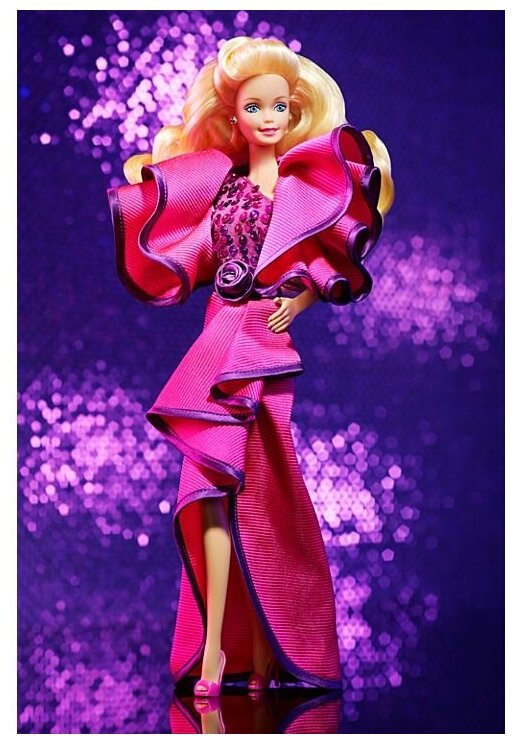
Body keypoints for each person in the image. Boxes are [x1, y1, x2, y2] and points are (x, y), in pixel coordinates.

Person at [107, 36, 394, 696]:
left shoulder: (306, 187)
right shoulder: (221, 185)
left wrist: (299, 300)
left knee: (264, 489)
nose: (268, 118)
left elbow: (324, 262)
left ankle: (268, 646)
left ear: (295, 113)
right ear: (233, 115)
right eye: (255, 107)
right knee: (207, 487)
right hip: (217, 337)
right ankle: (213, 646)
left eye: (280, 107)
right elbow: (194, 251)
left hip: (266, 338)